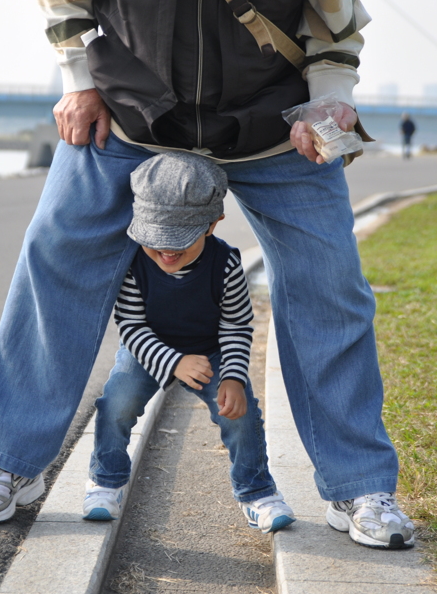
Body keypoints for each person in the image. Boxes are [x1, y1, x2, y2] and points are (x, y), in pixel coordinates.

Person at [0, 0, 415, 550]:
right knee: (57, 253)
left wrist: (332, 99)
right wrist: (77, 79)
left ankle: (360, 484)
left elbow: (334, 16)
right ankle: (9, 459)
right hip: (130, 118)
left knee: (331, 284)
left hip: (272, 127)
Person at [82, 151, 295, 534]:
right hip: (147, 347)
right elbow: (130, 324)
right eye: (155, 240)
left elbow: (236, 323)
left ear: (213, 224)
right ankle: (105, 481)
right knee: (116, 402)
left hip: (212, 350)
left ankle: (257, 492)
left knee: (241, 415)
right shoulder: (133, 262)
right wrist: (175, 362)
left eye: (180, 241)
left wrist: (231, 376)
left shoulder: (226, 264)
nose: (165, 251)